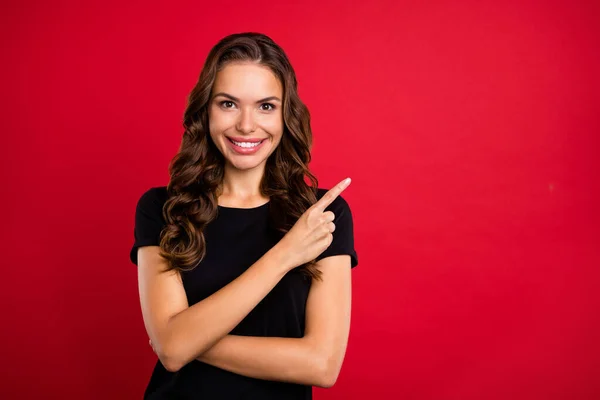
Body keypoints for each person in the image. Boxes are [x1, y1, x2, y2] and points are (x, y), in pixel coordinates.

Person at [129, 32, 359, 399]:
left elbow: (322, 364)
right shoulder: (162, 209)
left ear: (287, 115)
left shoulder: (321, 216)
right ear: (206, 110)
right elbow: (171, 351)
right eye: (228, 104)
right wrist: (285, 255)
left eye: (266, 106)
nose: (247, 125)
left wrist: (184, 339)